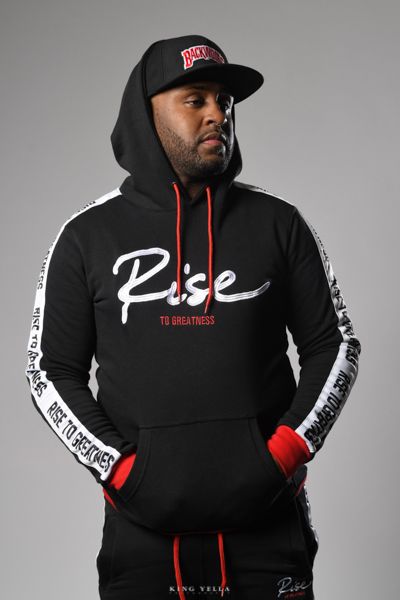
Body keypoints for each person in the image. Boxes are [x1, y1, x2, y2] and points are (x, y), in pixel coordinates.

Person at [25, 34, 361, 600]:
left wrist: (285, 452)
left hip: (268, 533)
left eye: (224, 102)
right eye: (196, 99)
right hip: (141, 540)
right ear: (147, 113)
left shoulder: (279, 223)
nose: (218, 115)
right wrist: (120, 468)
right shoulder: (86, 237)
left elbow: (336, 345)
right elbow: (48, 370)